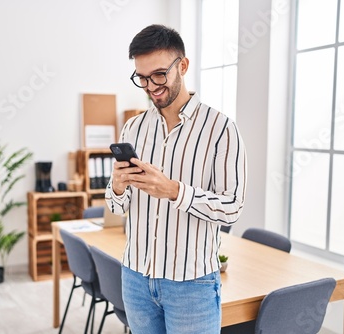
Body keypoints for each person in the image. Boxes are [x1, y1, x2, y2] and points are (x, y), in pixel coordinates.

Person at [105, 24, 247, 334]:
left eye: (158, 75)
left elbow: (232, 208)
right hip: (136, 278)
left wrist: (173, 191)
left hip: (192, 285)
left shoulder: (221, 129)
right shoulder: (133, 128)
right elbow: (117, 208)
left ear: (182, 65)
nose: (150, 86)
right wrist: (117, 186)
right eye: (141, 78)